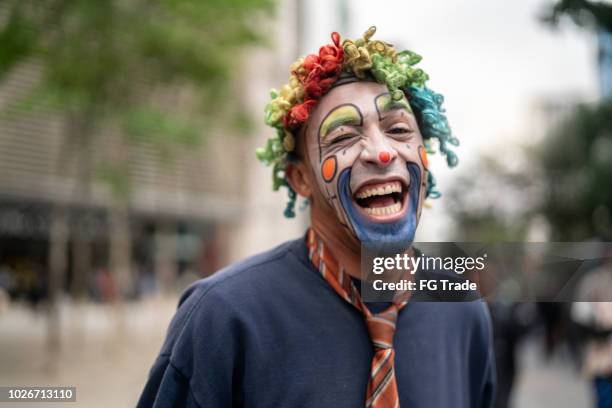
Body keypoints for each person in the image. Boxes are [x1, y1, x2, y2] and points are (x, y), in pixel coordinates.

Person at [138, 27, 495, 408]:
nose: (382, 152)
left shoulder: (463, 310)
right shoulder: (223, 316)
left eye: (399, 130)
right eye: (343, 136)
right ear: (301, 179)